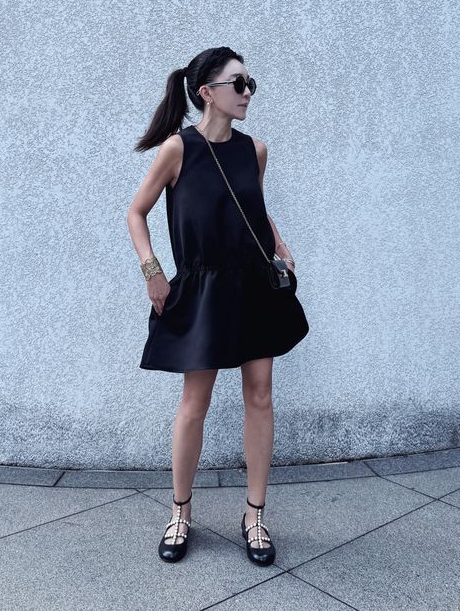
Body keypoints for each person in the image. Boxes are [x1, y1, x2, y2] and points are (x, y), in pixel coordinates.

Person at [127, 46, 309, 565]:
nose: (248, 92)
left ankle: (255, 515)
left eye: (251, 83)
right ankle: (180, 511)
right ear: (207, 92)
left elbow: (253, 207)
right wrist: (152, 271)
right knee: (195, 401)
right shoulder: (177, 149)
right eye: (239, 83)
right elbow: (136, 212)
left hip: (253, 285)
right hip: (203, 288)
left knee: (261, 395)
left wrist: (280, 244)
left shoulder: (255, 150)